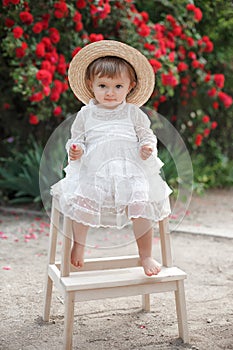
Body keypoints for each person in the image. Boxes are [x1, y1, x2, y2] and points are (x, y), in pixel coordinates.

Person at [51, 40, 172, 276]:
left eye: (118, 86)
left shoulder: (133, 113)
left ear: (130, 86)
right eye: (103, 85)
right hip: (95, 168)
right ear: (91, 85)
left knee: (141, 201)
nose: (110, 92)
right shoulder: (86, 114)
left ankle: (145, 254)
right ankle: (80, 245)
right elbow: (78, 139)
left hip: (130, 169)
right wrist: (75, 150)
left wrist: (147, 146)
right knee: (84, 198)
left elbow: (147, 135)